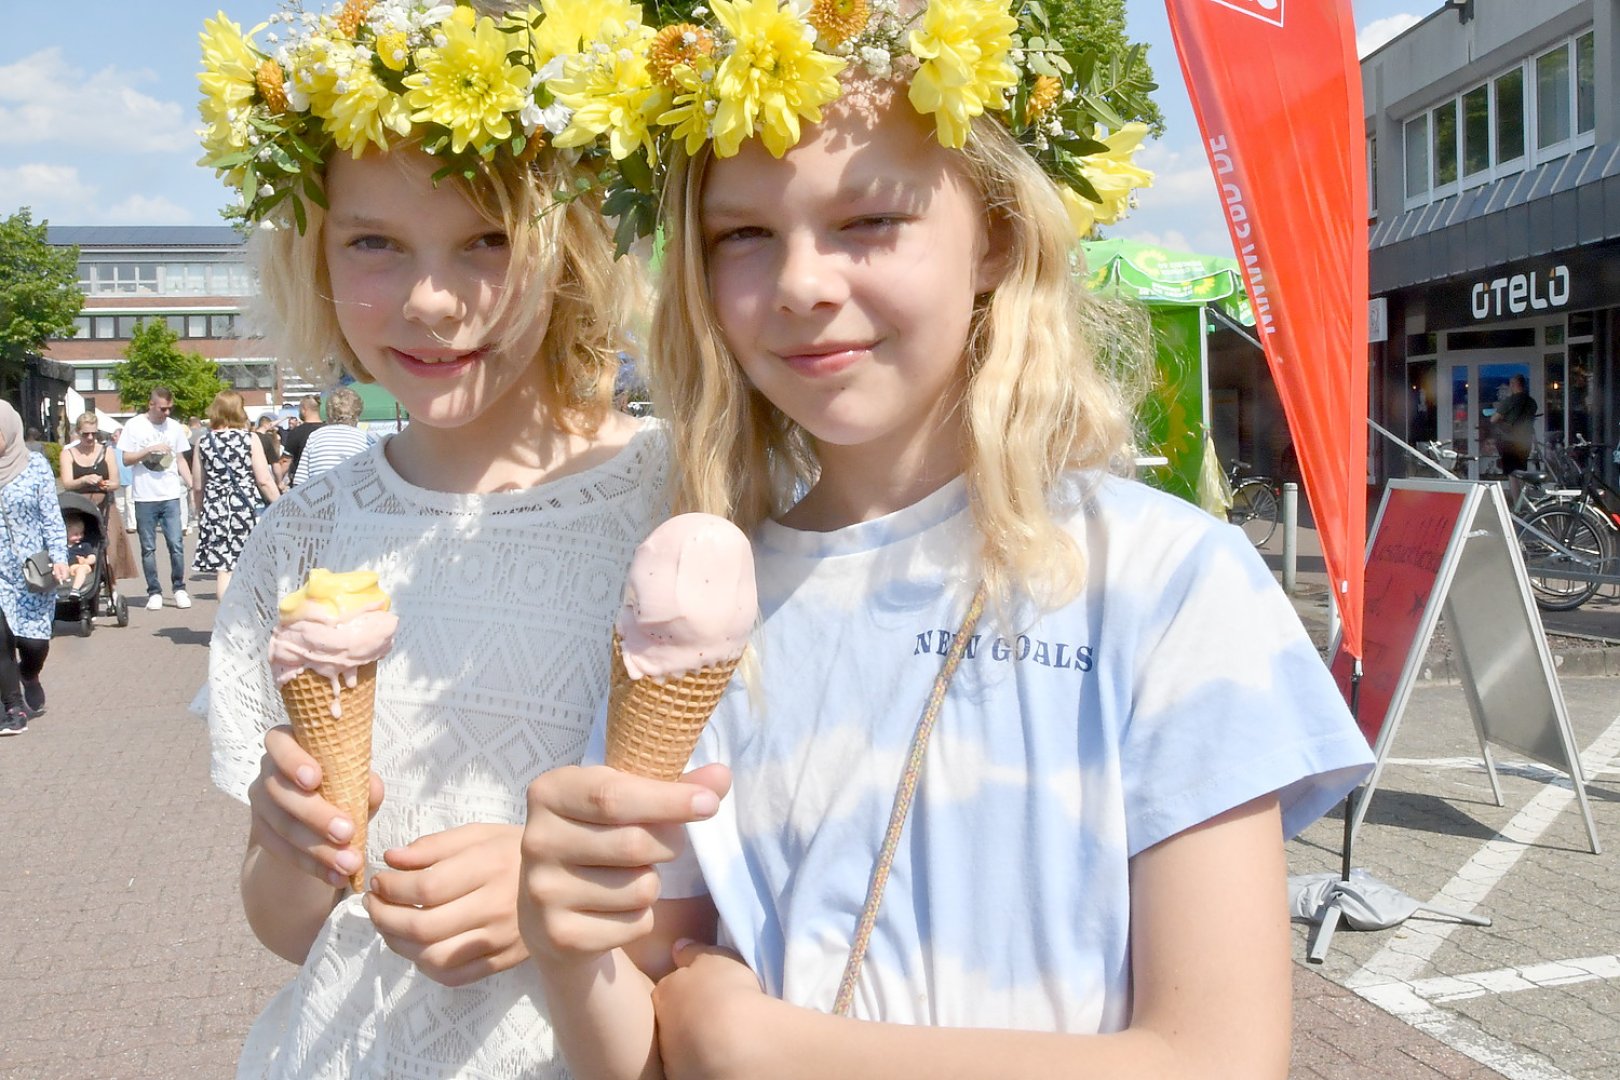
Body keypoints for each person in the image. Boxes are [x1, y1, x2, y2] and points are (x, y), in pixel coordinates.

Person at [517, 12, 1375, 1078]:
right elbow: (646, 1049)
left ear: (1000, 237)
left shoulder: (1166, 583)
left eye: (869, 218)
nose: (800, 284)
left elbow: (1220, 1057)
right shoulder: (693, 607)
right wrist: (567, 951)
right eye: (742, 235)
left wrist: (783, 1053)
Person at [196, 2, 663, 1075]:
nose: (431, 301)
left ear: (574, 242)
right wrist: (287, 844)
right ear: (312, 254)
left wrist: (559, 900)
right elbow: (285, 928)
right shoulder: (304, 532)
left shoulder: (682, 510)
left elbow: (756, 893)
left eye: (488, 241)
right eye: (374, 243)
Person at [0, 402, 67, 735]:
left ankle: (30, 673)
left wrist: (60, 557)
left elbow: (51, 517)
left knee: (33, 641)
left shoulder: (36, 465)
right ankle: (12, 708)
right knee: (1, 637)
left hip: (32, 567)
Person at [192, 390, 280, 599]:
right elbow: (263, 479)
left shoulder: (204, 442)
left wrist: (200, 510)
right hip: (244, 507)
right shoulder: (249, 439)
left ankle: (227, 623)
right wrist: (280, 503)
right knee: (252, 562)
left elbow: (197, 485)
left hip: (216, 507)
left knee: (225, 569)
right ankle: (251, 622)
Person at [117, 386, 193, 610]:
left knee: (176, 544)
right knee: (148, 547)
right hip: (145, 496)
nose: (167, 413)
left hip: (170, 494)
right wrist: (149, 450)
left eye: (170, 409)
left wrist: (192, 485)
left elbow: (180, 460)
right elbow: (127, 459)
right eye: (163, 409)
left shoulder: (175, 427)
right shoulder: (134, 425)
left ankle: (179, 588)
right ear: (151, 405)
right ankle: (154, 591)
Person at [59, 412, 137, 583]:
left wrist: (104, 483)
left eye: (94, 434)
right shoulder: (68, 453)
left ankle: (111, 587)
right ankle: (82, 585)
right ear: (78, 433)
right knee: (80, 548)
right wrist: (84, 480)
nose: (90, 438)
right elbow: (67, 483)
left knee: (111, 551)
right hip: (80, 508)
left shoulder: (106, 451)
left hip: (104, 505)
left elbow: (116, 482)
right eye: (85, 434)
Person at [291, 386, 370, 486]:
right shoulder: (365, 439)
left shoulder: (315, 437)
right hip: (353, 497)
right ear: (357, 414)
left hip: (319, 497)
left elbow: (300, 481)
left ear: (328, 412)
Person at [1495, 374, 1537, 476]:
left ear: (1515, 384)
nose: (1509, 386)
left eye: (1511, 384)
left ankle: (1515, 492)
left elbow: (1494, 418)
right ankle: (1523, 491)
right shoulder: (1531, 402)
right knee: (1522, 470)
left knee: (1512, 474)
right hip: (1525, 441)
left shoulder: (1509, 401)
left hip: (1510, 441)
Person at [277, 395, 325, 485]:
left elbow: (285, 462)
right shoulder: (328, 429)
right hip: (326, 482)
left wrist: (277, 482)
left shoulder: (296, 432)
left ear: (304, 409)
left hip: (302, 485)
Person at [63, 509, 97, 593]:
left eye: (81, 533)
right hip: (68, 568)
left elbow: (93, 557)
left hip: (82, 566)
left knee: (81, 569)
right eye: (75, 534)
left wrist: (86, 561)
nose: (79, 536)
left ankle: (75, 589)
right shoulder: (62, 546)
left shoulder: (84, 545)